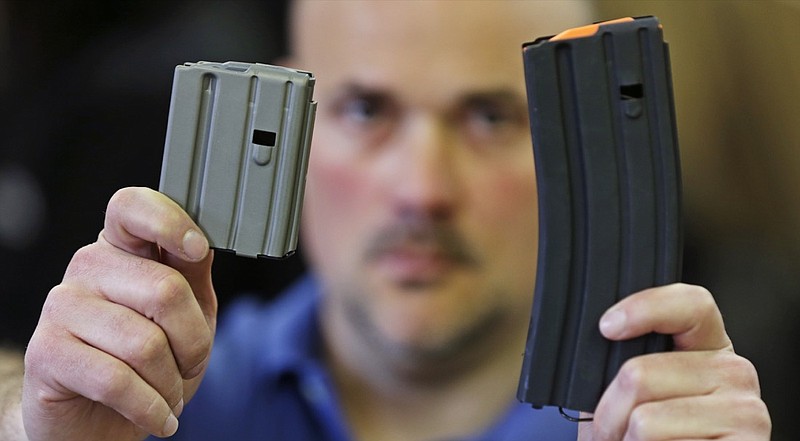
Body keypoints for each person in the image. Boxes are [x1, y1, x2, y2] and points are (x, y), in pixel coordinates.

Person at [0, 1, 771, 440]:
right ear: (293, 132)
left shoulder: (664, 419)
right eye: (367, 109)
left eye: (489, 115)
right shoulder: (157, 400)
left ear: (571, 141)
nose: (422, 188)